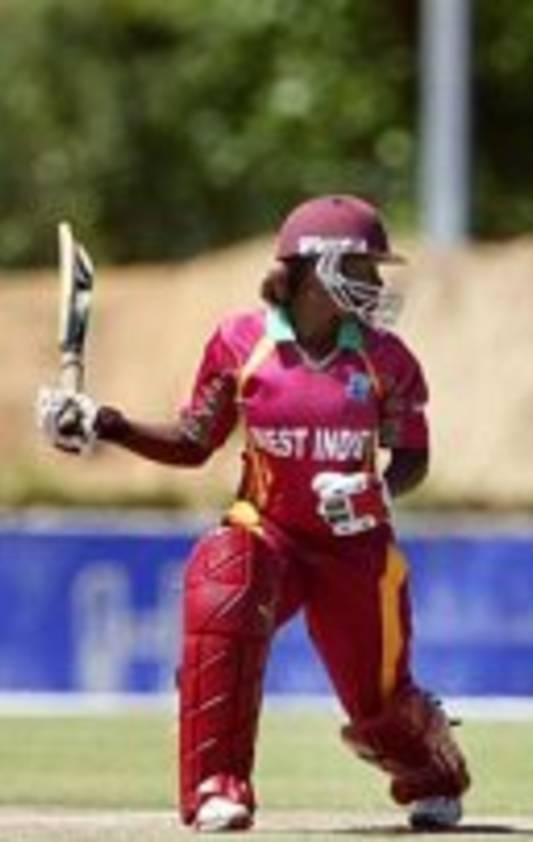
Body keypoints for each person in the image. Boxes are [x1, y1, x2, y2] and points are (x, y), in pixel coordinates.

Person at [34, 195, 471, 832]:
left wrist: (368, 491)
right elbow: (192, 441)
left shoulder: (386, 359)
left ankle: (435, 769)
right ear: (317, 268)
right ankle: (218, 787)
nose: (376, 284)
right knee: (222, 583)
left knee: (379, 704)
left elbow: (412, 459)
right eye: (363, 268)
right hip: (270, 532)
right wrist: (105, 424)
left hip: (357, 551)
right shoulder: (242, 343)